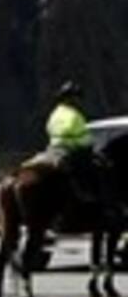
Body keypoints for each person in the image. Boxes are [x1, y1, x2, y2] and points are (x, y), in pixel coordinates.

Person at [46, 80, 118, 220]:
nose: (78, 100)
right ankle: (103, 205)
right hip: (73, 149)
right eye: (76, 97)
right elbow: (81, 136)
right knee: (103, 169)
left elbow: (50, 129)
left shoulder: (54, 114)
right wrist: (88, 144)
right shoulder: (75, 115)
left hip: (54, 148)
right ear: (71, 98)